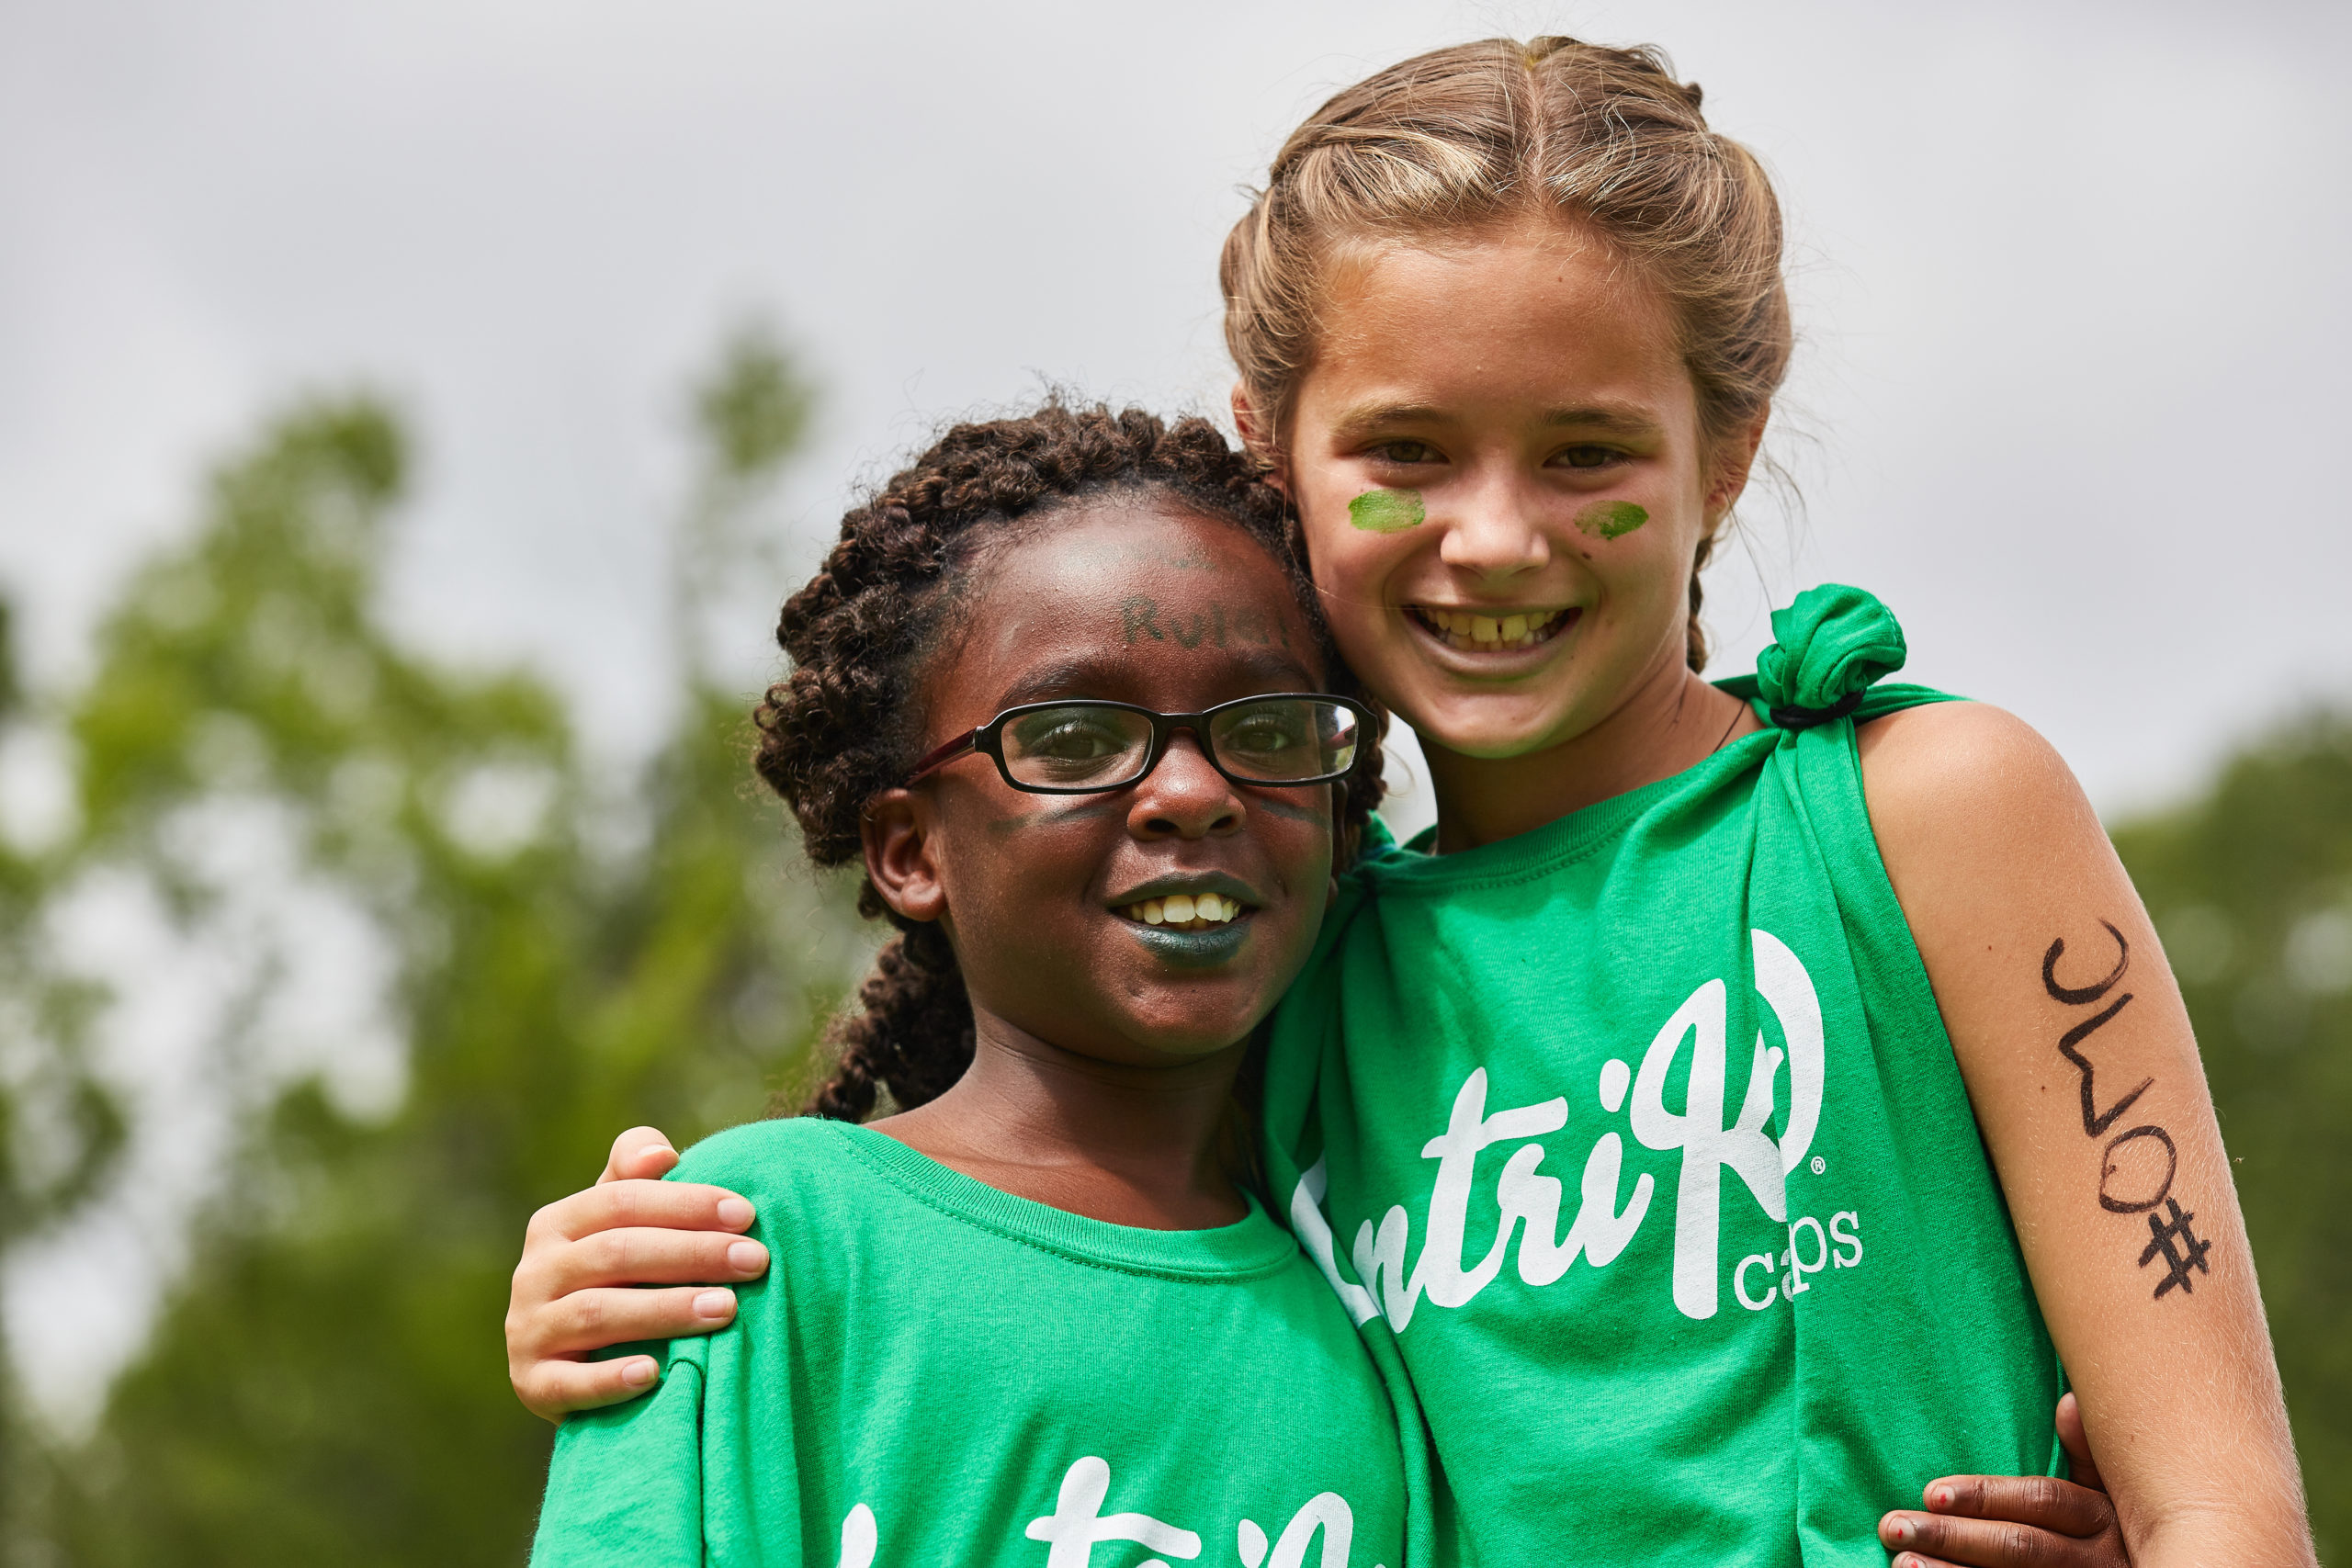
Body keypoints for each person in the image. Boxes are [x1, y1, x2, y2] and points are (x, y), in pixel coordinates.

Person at [510, 37, 2315, 1567]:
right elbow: (1036, 1230)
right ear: (1276, 452)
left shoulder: (1920, 812)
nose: (1495, 535)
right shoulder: (1291, 946)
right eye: (1405, 451)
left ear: (1726, 452)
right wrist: (609, 1277)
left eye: (1587, 450)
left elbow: (2222, 1509)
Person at [530, 405, 1425, 1565]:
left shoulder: (1381, 1319)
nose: (1193, 792)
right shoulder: (758, 1245)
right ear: (912, 851)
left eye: (1264, 727)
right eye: (1070, 738)